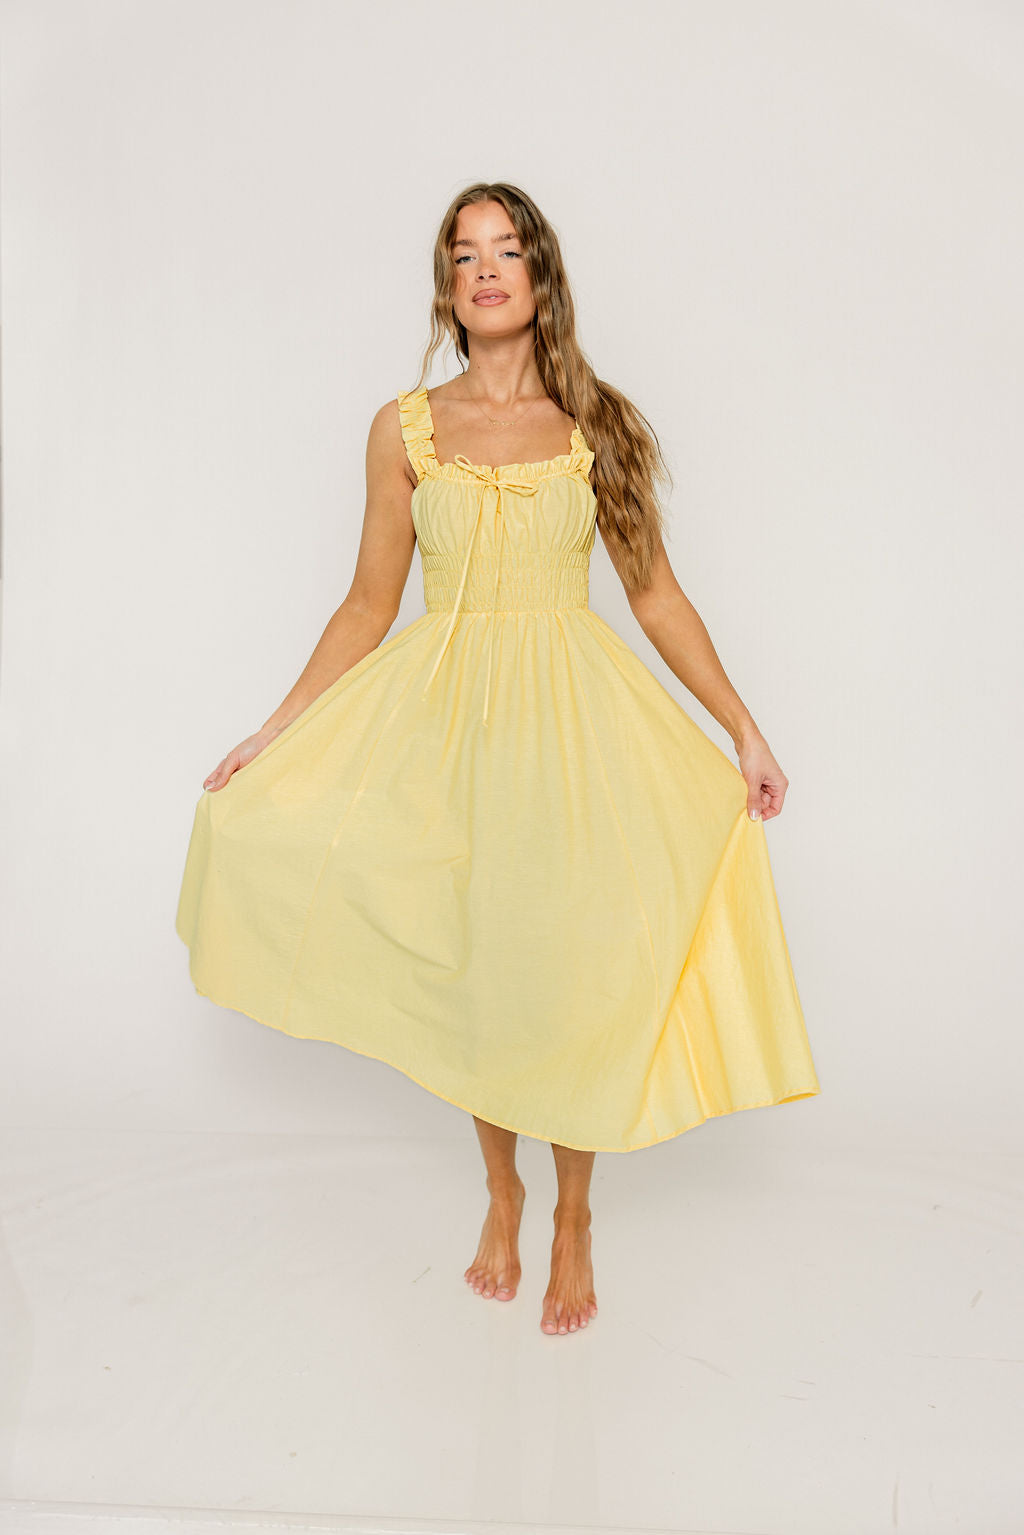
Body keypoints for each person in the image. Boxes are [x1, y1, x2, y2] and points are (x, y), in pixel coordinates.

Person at [176, 181, 821, 1339]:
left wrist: (744, 725)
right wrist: (274, 733)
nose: (484, 268)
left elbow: (655, 595)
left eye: (506, 249)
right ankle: (501, 1186)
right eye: (464, 253)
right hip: (447, 729)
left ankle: (572, 1212)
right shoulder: (404, 430)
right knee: (476, 966)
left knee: (567, 964)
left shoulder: (596, 426)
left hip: (573, 729)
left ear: (540, 276)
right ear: (446, 287)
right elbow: (368, 602)